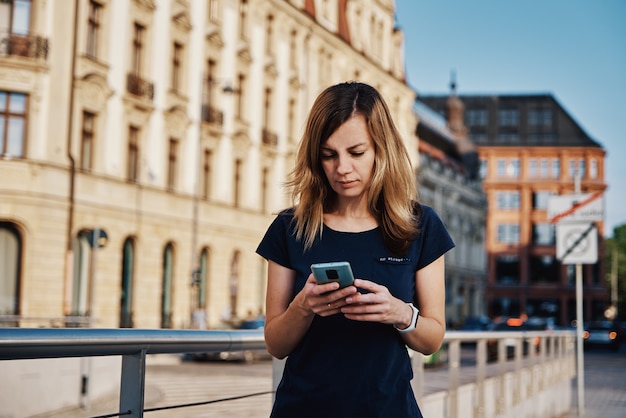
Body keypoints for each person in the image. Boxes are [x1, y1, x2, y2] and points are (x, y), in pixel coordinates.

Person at [256, 81, 455, 417]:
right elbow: (276, 344)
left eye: (356, 153)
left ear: (382, 149)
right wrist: (303, 306)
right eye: (329, 155)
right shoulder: (290, 227)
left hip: (388, 410)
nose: (342, 168)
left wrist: (399, 313)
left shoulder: (420, 225)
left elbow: (432, 339)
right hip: (303, 409)